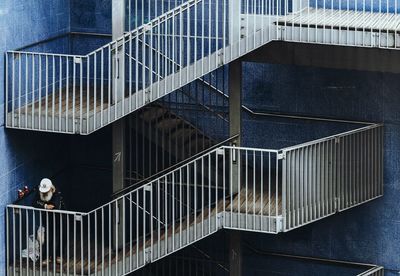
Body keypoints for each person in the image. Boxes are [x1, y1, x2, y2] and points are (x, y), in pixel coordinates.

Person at [33, 178, 65, 265]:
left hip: (59, 218)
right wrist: (45, 206)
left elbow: (55, 205)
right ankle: (46, 257)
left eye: (46, 191)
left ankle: (58, 255)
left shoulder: (57, 192)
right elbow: (34, 202)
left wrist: (44, 205)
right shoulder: (39, 192)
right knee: (48, 237)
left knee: (59, 236)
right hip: (47, 218)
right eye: (43, 192)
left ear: (51, 189)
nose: (44, 193)